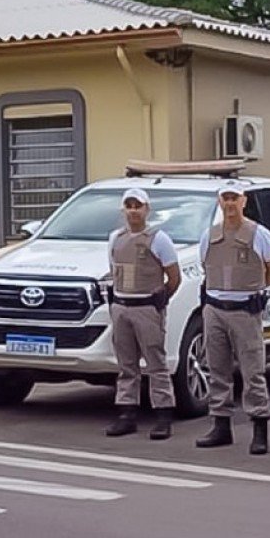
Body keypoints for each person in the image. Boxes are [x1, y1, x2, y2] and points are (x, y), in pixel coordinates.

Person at [194, 180, 270, 455]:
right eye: (225, 198)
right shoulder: (210, 234)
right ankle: (221, 426)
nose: (230, 203)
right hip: (215, 308)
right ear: (220, 202)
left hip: (245, 310)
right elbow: (205, 266)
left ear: (244, 201)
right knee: (217, 368)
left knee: (252, 371)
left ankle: (259, 427)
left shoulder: (259, 234)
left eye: (235, 198)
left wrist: (251, 291)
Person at [104, 188, 184, 440]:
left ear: (147, 209)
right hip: (121, 306)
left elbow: (174, 277)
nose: (133, 210)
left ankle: (163, 415)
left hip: (147, 307)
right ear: (123, 210)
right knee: (126, 365)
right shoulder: (115, 238)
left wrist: (158, 302)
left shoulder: (159, 239)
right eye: (129, 205)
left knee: (156, 363)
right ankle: (127, 414)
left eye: (138, 205)